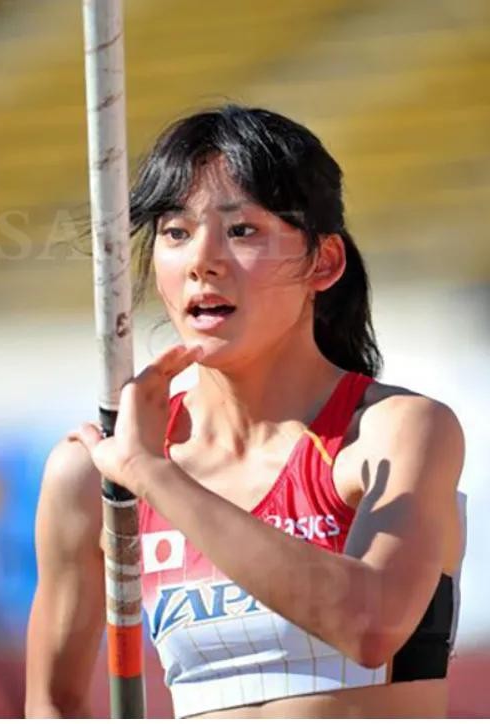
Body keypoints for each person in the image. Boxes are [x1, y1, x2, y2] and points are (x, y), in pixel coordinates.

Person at [25, 105, 464, 719]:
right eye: (176, 232)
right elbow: (51, 703)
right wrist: (140, 468)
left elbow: (370, 627)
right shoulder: (92, 474)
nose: (202, 261)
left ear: (323, 262)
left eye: (241, 230)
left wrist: (153, 475)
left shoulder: (392, 432)